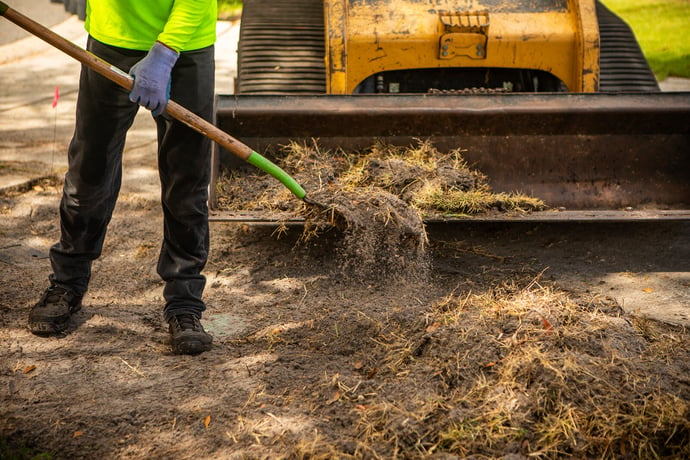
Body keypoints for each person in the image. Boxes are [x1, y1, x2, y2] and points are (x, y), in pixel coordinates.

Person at [28, 0, 218, 355]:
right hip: (111, 41)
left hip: (186, 46)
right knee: (89, 170)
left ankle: (185, 303)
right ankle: (67, 283)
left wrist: (165, 52)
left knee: (186, 180)